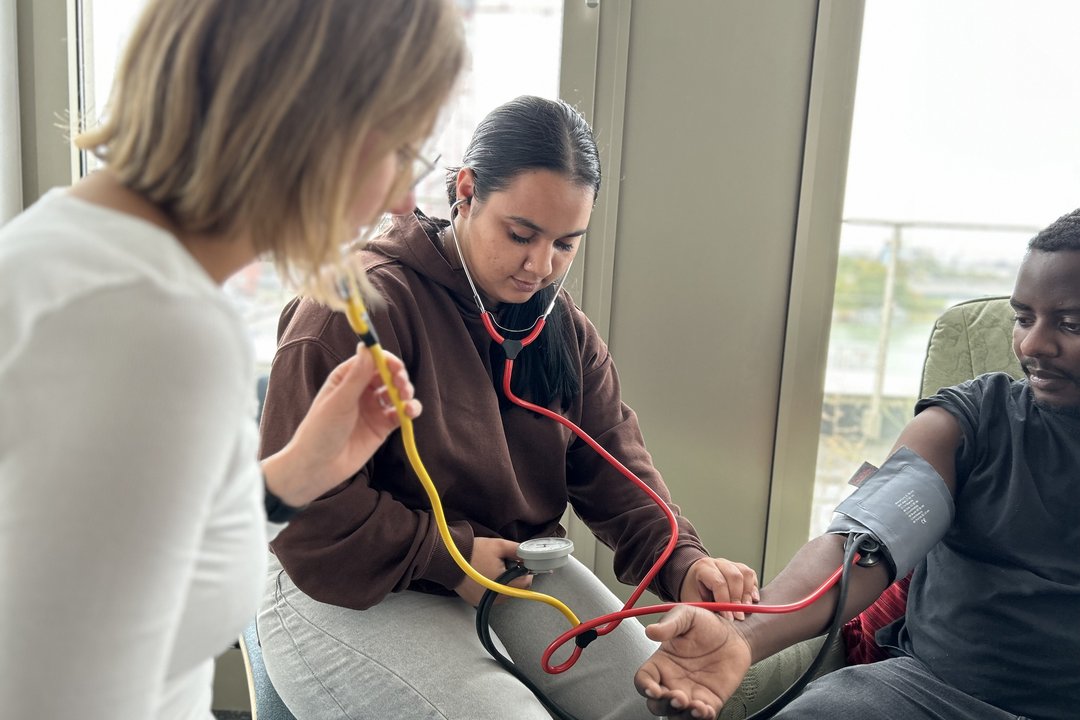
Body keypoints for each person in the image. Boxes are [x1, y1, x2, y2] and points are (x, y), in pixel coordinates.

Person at [0, 1, 465, 718]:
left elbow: (126, 560)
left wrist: (290, 480)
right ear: (314, 126)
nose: (404, 198)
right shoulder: (155, 325)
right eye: (403, 149)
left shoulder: (70, 250)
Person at [256, 95, 760, 720]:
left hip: (510, 570)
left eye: (565, 245)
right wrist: (445, 556)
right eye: (520, 234)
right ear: (465, 191)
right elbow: (303, 520)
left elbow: (616, 471)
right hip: (350, 581)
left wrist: (683, 561)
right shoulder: (350, 312)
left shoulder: (562, 328)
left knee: (656, 707)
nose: (538, 266)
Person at [634, 210, 1080, 720]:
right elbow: (864, 543)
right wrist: (744, 635)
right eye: (1024, 318)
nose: (1032, 344)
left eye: (1071, 324)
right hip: (929, 694)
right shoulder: (972, 420)